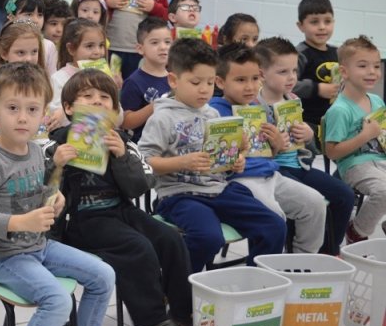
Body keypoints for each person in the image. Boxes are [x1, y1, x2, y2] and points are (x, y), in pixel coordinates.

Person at [0, 62, 122, 326]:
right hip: (3, 257)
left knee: (104, 275)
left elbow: (43, 190)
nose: (22, 118)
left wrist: (55, 198)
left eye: (32, 110)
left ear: (43, 114)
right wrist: (20, 223)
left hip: (38, 246)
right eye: (12, 108)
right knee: (56, 301)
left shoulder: (37, 151)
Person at [48, 69, 192, 326]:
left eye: (105, 98)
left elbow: (141, 187)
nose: (98, 102)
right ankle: (156, 322)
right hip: (80, 221)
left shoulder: (124, 142)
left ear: (115, 111)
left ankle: (183, 317)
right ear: (68, 108)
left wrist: (122, 157)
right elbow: (40, 192)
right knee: (136, 247)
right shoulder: (55, 144)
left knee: (170, 239)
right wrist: (56, 165)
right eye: (87, 97)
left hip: (121, 210)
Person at [138, 39, 286, 273]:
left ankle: (256, 284)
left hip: (218, 189)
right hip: (179, 195)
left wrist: (235, 161)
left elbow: (222, 163)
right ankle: (178, 290)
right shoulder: (162, 118)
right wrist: (182, 162)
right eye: (196, 82)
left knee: (274, 226)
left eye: (209, 82)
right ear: (174, 80)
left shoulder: (213, 113)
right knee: (208, 237)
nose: (205, 89)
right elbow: (143, 163)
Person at [209, 43, 326, 254]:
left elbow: (267, 153)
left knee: (316, 203)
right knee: (275, 218)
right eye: (240, 80)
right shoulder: (214, 112)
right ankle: (266, 273)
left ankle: (302, 261)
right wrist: (237, 154)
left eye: (255, 79)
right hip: (240, 181)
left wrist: (276, 145)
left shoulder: (256, 108)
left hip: (271, 174)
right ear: (220, 81)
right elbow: (218, 162)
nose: (250, 87)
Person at [256, 37, 354, 254]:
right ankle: (298, 256)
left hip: (299, 164)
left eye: (293, 71)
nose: (291, 77)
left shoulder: (292, 99)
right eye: (283, 72)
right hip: (273, 171)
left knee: (344, 195)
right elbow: (251, 151)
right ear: (262, 73)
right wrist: (273, 143)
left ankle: (329, 251)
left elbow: (304, 139)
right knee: (305, 202)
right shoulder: (253, 106)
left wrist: (309, 134)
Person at [323, 35, 386, 244]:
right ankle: (357, 230)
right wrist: (365, 136)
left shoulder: (376, 101)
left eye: (376, 66)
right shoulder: (340, 110)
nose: (372, 72)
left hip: (380, 160)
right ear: (344, 72)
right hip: (354, 165)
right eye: (363, 66)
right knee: (384, 190)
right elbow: (332, 152)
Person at [0, 20, 47, 132]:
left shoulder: (41, 80)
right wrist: (8, 122)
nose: (29, 58)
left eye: (34, 52)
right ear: (4, 53)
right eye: (21, 53)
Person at [120, 17, 172, 141]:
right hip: (145, 146)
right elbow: (126, 122)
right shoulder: (133, 82)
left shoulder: (176, 78)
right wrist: (156, 105)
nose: (163, 47)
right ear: (140, 49)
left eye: (167, 42)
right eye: (155, 43)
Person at [294, 0, 339, 133]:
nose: (322, 27)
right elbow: (287, 85)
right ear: (301, 26)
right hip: (307, 122)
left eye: (327, 21)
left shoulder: (337, 52)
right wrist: (317, 89)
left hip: (332, 120)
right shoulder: (299, 54)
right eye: (314, 22)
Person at [51, 18, 117, 104]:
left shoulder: (105, 77)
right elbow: (54, 112)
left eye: (101, 45)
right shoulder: (59, 79)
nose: (97, 52)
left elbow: (119, 114)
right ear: (71, 49)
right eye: (89, 46)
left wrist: (115, 88)